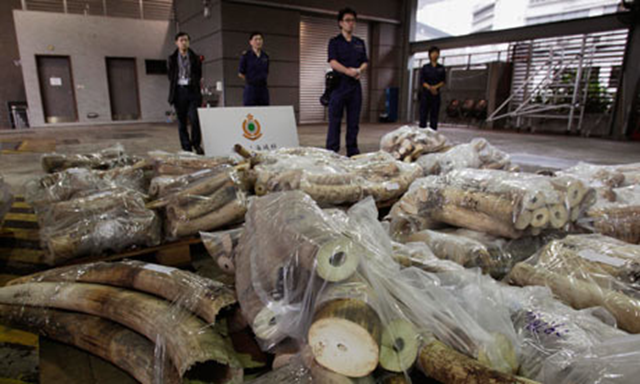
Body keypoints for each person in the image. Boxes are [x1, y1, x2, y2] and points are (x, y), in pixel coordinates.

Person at [326, 7, 368, 157]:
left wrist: (359, 70)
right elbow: (333, 62)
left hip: (355, 87)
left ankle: (352, 151)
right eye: (347, 20)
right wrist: (348, 71)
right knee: (335, 120)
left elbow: (365, 62)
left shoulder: (360, 43)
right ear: (340, 23)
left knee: (353, 122)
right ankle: (332, 152)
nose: (351, 23)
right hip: (338, 85)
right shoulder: (334, 42)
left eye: (353, 21)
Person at [167, 32, 204, 154]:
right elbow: (170, 76)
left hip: (192, 91)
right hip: (179, 92)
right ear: (176, 43)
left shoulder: (195, 58)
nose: (184, 42)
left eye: (186, 40)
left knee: (194, 119)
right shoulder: (172, 59)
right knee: (182, 121)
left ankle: (196, 144)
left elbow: (199, 74)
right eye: (181, 40)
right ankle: (186, 146)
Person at [239, 32, 270, 106]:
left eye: (260, 39)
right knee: (250, 110)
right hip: (251, 88)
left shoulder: (265, 56)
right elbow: (241, 73)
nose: (258, 41)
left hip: (263, 88)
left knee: (265, 110)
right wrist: (250, 80)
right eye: (256, 39)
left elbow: (266, 71)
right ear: (251, 42)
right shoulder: (246, 56)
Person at [419, 46, 446, 130]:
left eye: (437, 53)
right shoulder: (425, 67)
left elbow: (443, 81)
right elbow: (422, 80)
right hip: (426, 94)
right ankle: (422, 132)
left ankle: (433, 133)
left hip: (436, 94)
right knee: (423, 113)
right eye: (433, 53)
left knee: (434, 114)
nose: (435, 55)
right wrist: (430, 88)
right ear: (429, 55)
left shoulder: (441, 68)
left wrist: (435, 88)